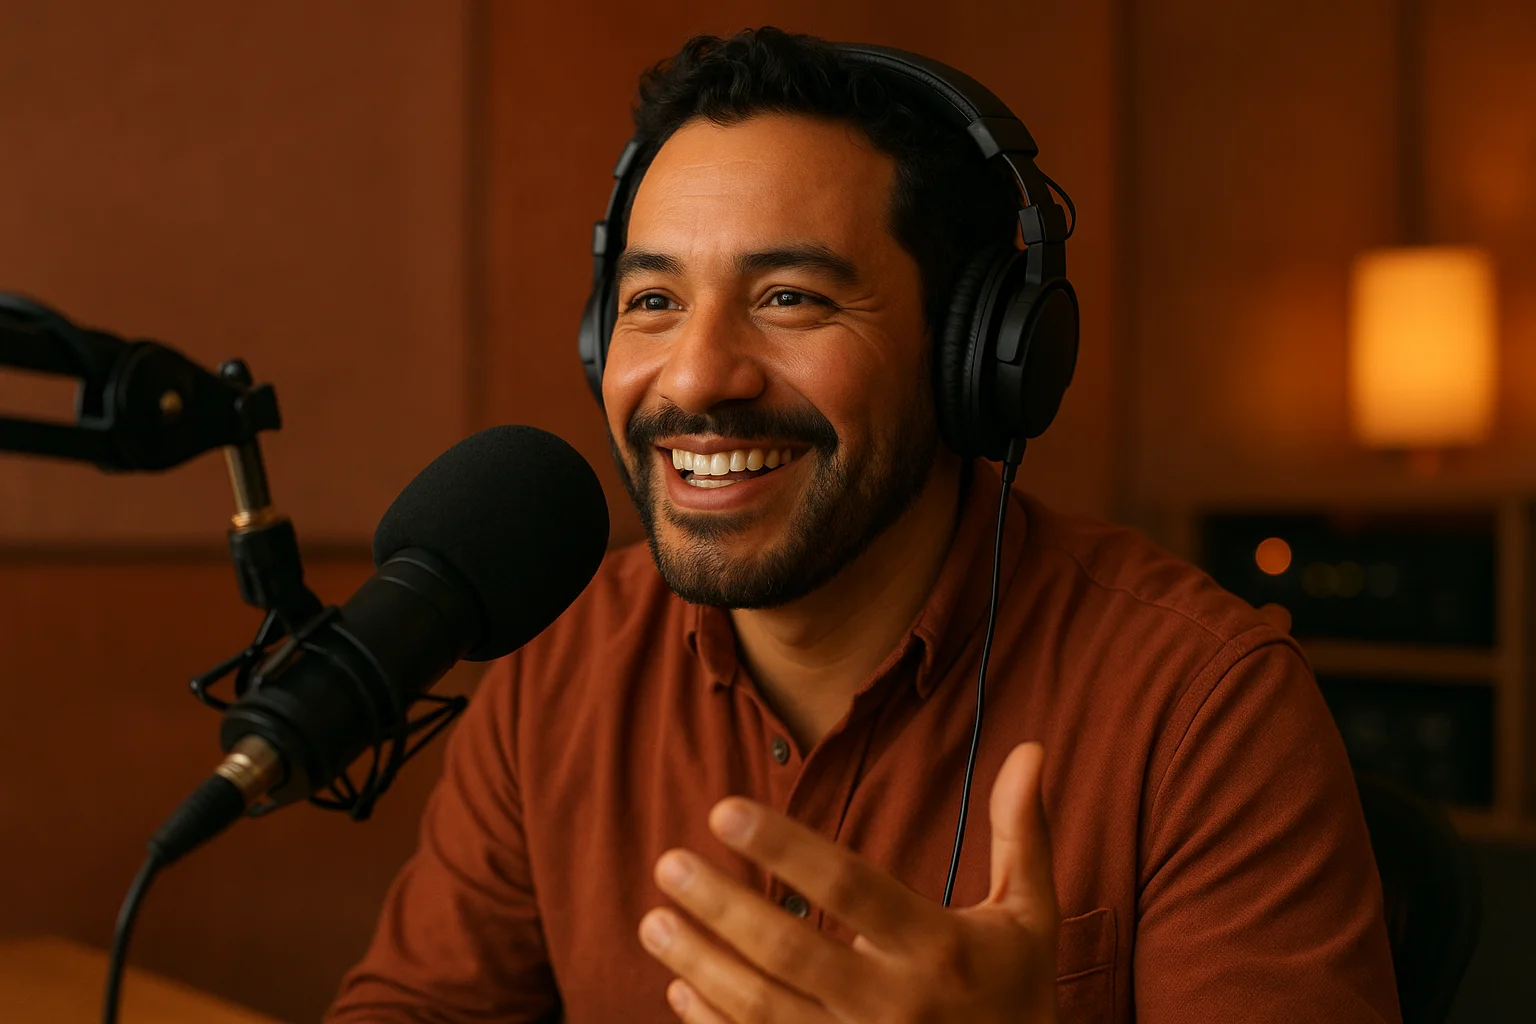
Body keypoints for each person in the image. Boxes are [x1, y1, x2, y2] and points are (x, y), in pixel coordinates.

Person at [327, 27, 1400, 1023]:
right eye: (654, 302)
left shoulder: (1206, 709)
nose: (696, 376)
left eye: (790, 297)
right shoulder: (557, 663)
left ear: (974, 354)